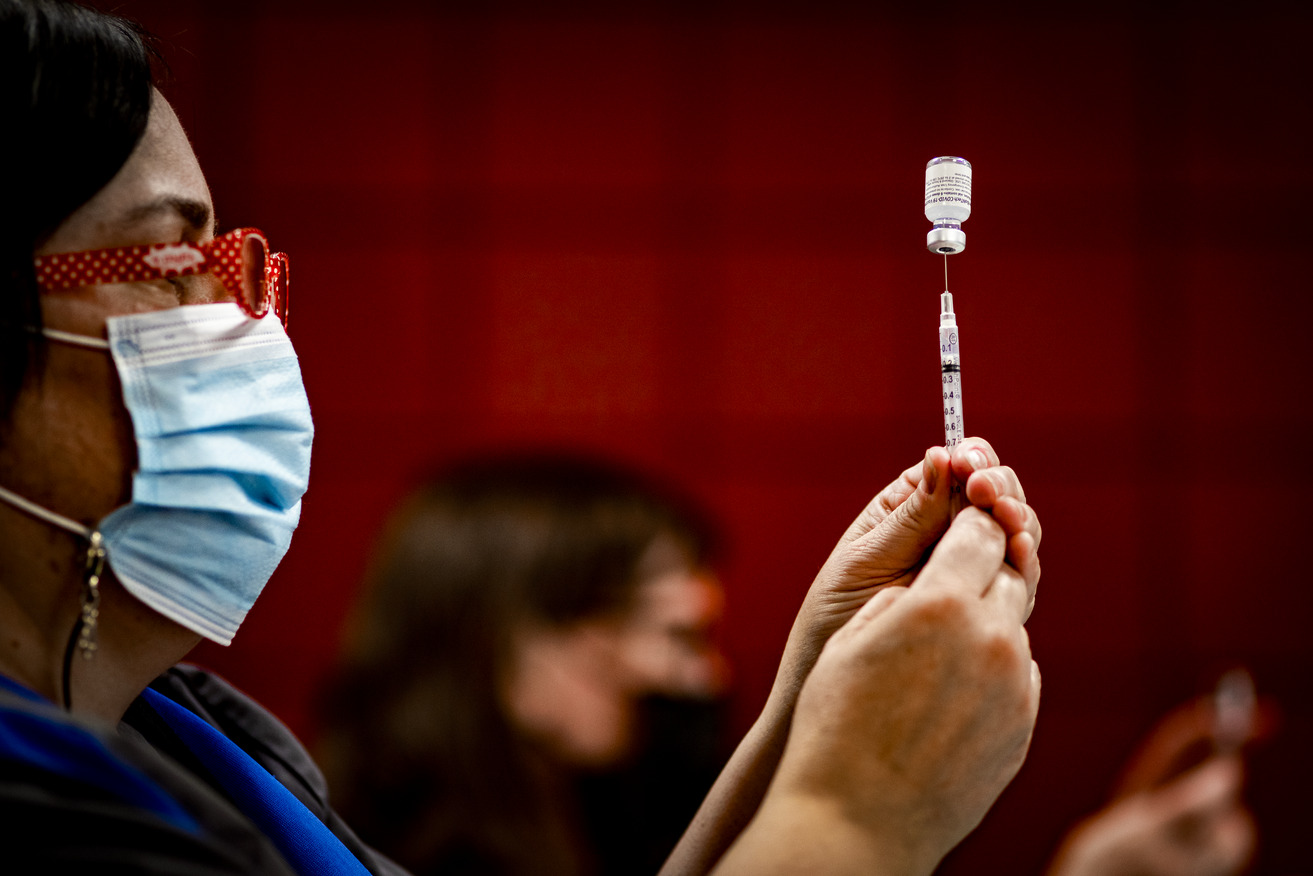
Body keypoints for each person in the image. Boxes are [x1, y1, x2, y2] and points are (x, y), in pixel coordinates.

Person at [0, 1, 1043, 873]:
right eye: (169, 260)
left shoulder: (191, 737)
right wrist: (861, 808)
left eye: (231, 263)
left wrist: (810, 689)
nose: (241, 319)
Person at [317, 452, 731, 875]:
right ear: (513, 633)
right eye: (676, 635)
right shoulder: (354, 853)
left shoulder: (614, 811)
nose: (707, 675)